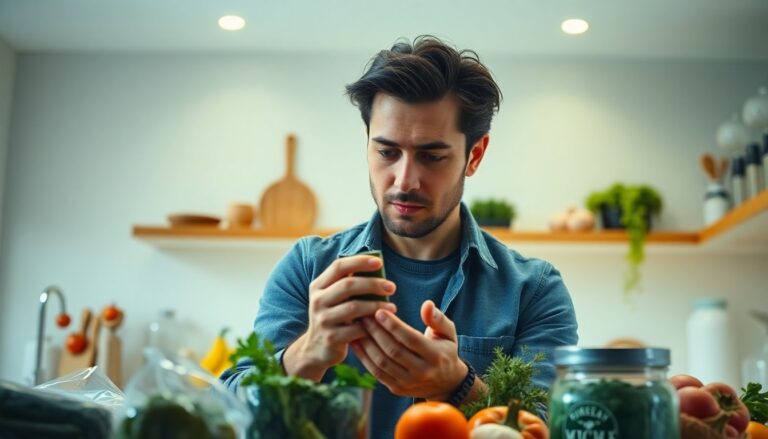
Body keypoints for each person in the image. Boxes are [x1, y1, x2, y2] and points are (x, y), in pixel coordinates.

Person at [222, 35, 578, 437]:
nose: (404, 181)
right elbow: (224, 415)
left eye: (432, 156)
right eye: (387, 152)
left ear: (474, 156)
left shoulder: (535, 290)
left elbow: (553, 429)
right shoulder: (308, 268)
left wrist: (458, 386)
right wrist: (306, 354)